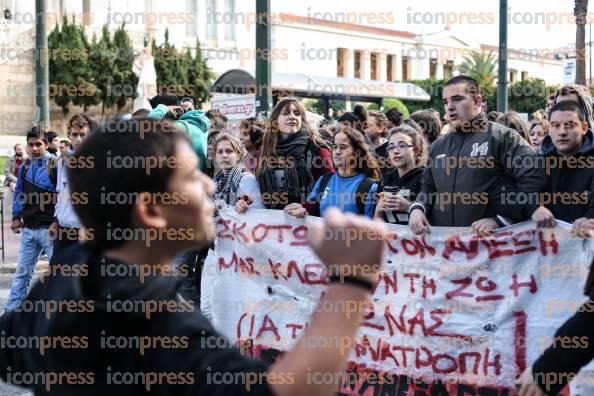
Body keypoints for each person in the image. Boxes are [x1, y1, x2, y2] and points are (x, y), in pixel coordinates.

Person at [0, 117, 389, 395]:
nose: (206, 183)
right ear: (151, 211)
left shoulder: (60, 286)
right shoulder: (158, 325)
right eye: (189, 176)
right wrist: (351, 284)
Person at [408, 75, 547, 234]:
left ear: (477, 101)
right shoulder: (438, 146)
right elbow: (427, 188)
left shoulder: (504, 138)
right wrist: (418, 208)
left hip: (492, 248)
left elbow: (534, 180)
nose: (450, 107)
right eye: (446, 102)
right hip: (443, 250)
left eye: (457, 99)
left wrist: (501, 220)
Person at [526, 101, 594, 237]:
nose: (562, 132)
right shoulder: (537, 161)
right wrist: (533, 208)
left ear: (584, 127)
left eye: (569, 125)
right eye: (556, 125)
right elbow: (515, 193)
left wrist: (590, 219)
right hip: (549, 249)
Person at [6, 130, 57, 312]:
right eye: (31, 145)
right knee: (22, 274)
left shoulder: (55, 165)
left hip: (50, 230)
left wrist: (57, 222)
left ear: (46, 144)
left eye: (38, 144)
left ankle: (55, 320)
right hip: (29, 229)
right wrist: (15, 217)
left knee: (57, 278)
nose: (34, 148)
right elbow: (19, 193)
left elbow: (64, 196)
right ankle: (10, 315)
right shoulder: (24, 167)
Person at [283, 125, 380, 219]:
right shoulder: (324, 180)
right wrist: (302, 209)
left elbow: (371, 227)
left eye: (343, 147)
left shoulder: (370, 187)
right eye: (334, 147)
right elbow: (312, 211)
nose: (337, 152)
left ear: (357, 153)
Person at [257, 97, 334, 210]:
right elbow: (257, 188)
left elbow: (331, 189)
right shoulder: (266, 151)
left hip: (307, 223)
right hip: (272, 221)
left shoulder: (317, 150)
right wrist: (245, 201)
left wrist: (307, 208)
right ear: (275, 122)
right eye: (286, 113)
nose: (292, 116)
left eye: (297, 113)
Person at [49, 113, 96, 257]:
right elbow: (60, 192)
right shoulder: (62, 161)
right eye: (75, 134)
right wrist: (56, 220)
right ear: (69, 136)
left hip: (85, 232)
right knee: (57, 274)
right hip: (63, 231)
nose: (78, 139)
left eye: (83, 134)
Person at [374, 125, 427, 225]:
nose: (396, 151)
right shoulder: (385, 179)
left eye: (402, 146)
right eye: (391, 147)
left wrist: (409, 207)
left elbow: (434, 219)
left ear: (416, 150)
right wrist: (378, 211)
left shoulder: (426, 178)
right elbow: (377, 225)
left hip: (416, 240)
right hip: (390, 239)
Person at [148, 94, 211, 171]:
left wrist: (163, 108)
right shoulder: (198, 124)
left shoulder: (180, 127)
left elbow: (148, 126)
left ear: (172, 111)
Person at [213, 133, 264, 212]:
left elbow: (261, 209)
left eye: (229, 151)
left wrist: (244, 207)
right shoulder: (216, 181)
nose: (224, 155)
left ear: (238, 156)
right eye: (220, 152)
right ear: (215, 157)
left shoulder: (247, 179)